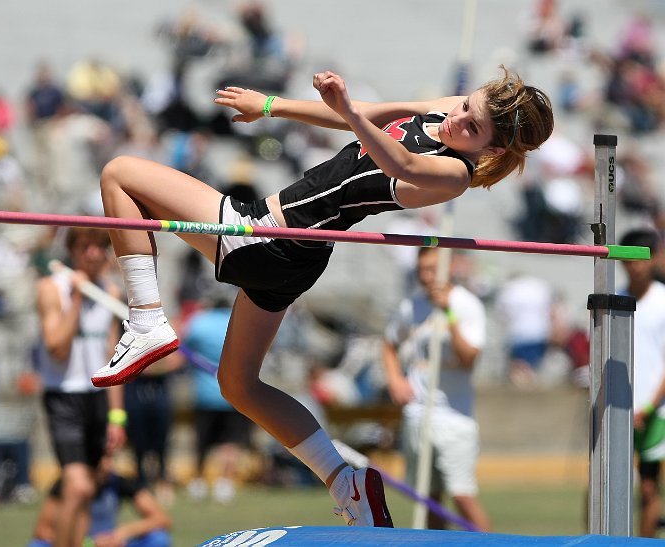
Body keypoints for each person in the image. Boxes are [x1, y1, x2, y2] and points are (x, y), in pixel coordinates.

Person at [90, 66, 554, 527]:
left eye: (472, 128)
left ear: (490, 149)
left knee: (120, 172)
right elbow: (356, 116)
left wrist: (350, 110)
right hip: (296, 255)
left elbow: (401, 163)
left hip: (268, 236)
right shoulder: (440, 111)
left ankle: (147, 318)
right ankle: (343, 483)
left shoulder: (454, 173)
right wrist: (270, 106)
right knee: (239, 385)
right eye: (466, 106)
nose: (458, 120)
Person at [381, 247, 491, 531]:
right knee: (429, 500)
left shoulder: (466, 305)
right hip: (418, 413)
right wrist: (395, 379)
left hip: (454, 417)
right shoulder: (412, 305)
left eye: (432, 269)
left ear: (450, 267)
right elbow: (389, 343)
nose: (426, 277)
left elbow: (469, 359)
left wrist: (448, 314)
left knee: (462, 495)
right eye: (422, 270)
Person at [36, 227, 127, 547]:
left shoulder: (111, 293)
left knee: (90, 488)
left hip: (98, 398)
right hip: (64, 396)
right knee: (77, 487)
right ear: (72, 250)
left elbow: (113, 358)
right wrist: (77, 296)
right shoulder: (51, 288)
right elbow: (56, 347)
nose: (92, 254)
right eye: (85, 246)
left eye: (99, 247)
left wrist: (117, 416)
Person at [181, 285, 254, 505]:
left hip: (205, 393)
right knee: (230, 442)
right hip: (234, 393)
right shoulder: (240, 322)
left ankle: (198, 482)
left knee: (201, 442)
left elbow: (182, 345)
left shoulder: (199, 322)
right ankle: (225, 483)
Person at [618, 228, 665, 537]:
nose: (634, 266)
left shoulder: (663, 301)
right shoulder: (615, 299)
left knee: (648, 488)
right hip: (618, 408)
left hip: (654, 410)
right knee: (604, 485)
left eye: (640, 258)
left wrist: (647, 406)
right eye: (628, 259)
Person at [27, 456, 172, 547]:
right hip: (75, 543)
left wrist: (123, 533)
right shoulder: (66, 484)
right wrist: (88, 543)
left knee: (159, 539)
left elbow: (161, 519)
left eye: (109, 458)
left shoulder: (118, 482)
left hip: (111, 542)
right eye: (101, 458)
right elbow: (42, 530)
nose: (107, 465)